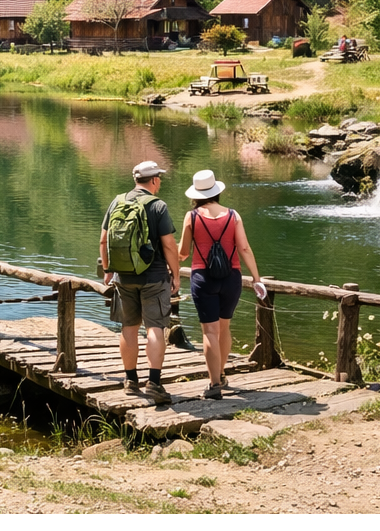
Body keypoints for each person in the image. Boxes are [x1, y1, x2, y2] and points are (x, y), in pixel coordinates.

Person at [178, 169, 264, 401]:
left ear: (195, 195)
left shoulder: (192, 217)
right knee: (224, 328)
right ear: (216, 191)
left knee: (210, 331)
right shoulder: (233, 215)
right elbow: (244, 248)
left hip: (203, 278)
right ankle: (222, 373)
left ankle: (214, 383)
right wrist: (257, 279)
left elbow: (184, 253)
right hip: (231, 277)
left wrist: (170, 257)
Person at [99, 160, 180, 405]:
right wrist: (175, 275)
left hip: (124, 277)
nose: (160, 182)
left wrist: (108, 270)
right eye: (159, 178)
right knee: (155, 328)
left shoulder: (117, 201)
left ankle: (130, 380)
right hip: (154, 278)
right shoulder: (158, 206)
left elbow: (103, 240)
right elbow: (169, 245)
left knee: (129, 327)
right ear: (154, 180)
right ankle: (154, 383)